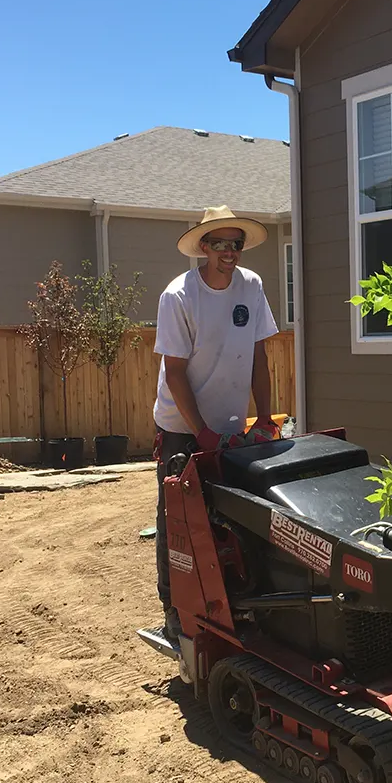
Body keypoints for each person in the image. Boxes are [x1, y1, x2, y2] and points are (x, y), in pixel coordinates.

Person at [152, 205, 280, 641]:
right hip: (182, 426)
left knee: (234, 514)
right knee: (180, 519)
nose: (230, 252)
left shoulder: (251, 287)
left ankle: (233, 600)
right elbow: (174, 372)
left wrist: (262, 417)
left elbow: (260, 357)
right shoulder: (179, 296)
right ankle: (174, 608)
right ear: (202, 247)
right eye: (220, 244)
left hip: (230, 424)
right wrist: (201, 433)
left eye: (236, 244)